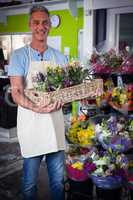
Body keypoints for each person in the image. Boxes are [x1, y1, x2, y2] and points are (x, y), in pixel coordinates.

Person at [8, 5, 68, 200]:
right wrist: (36, 107)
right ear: (30, 25)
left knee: (58, 181)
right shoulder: (19, 56)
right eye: (36, 22)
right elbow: (16, 92)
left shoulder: (60, 57)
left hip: (55, 127)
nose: (40, 27)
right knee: (29, 183)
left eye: (44, 22)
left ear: (50, 25)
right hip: (31, 126)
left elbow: (65, 92)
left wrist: (62, 101)